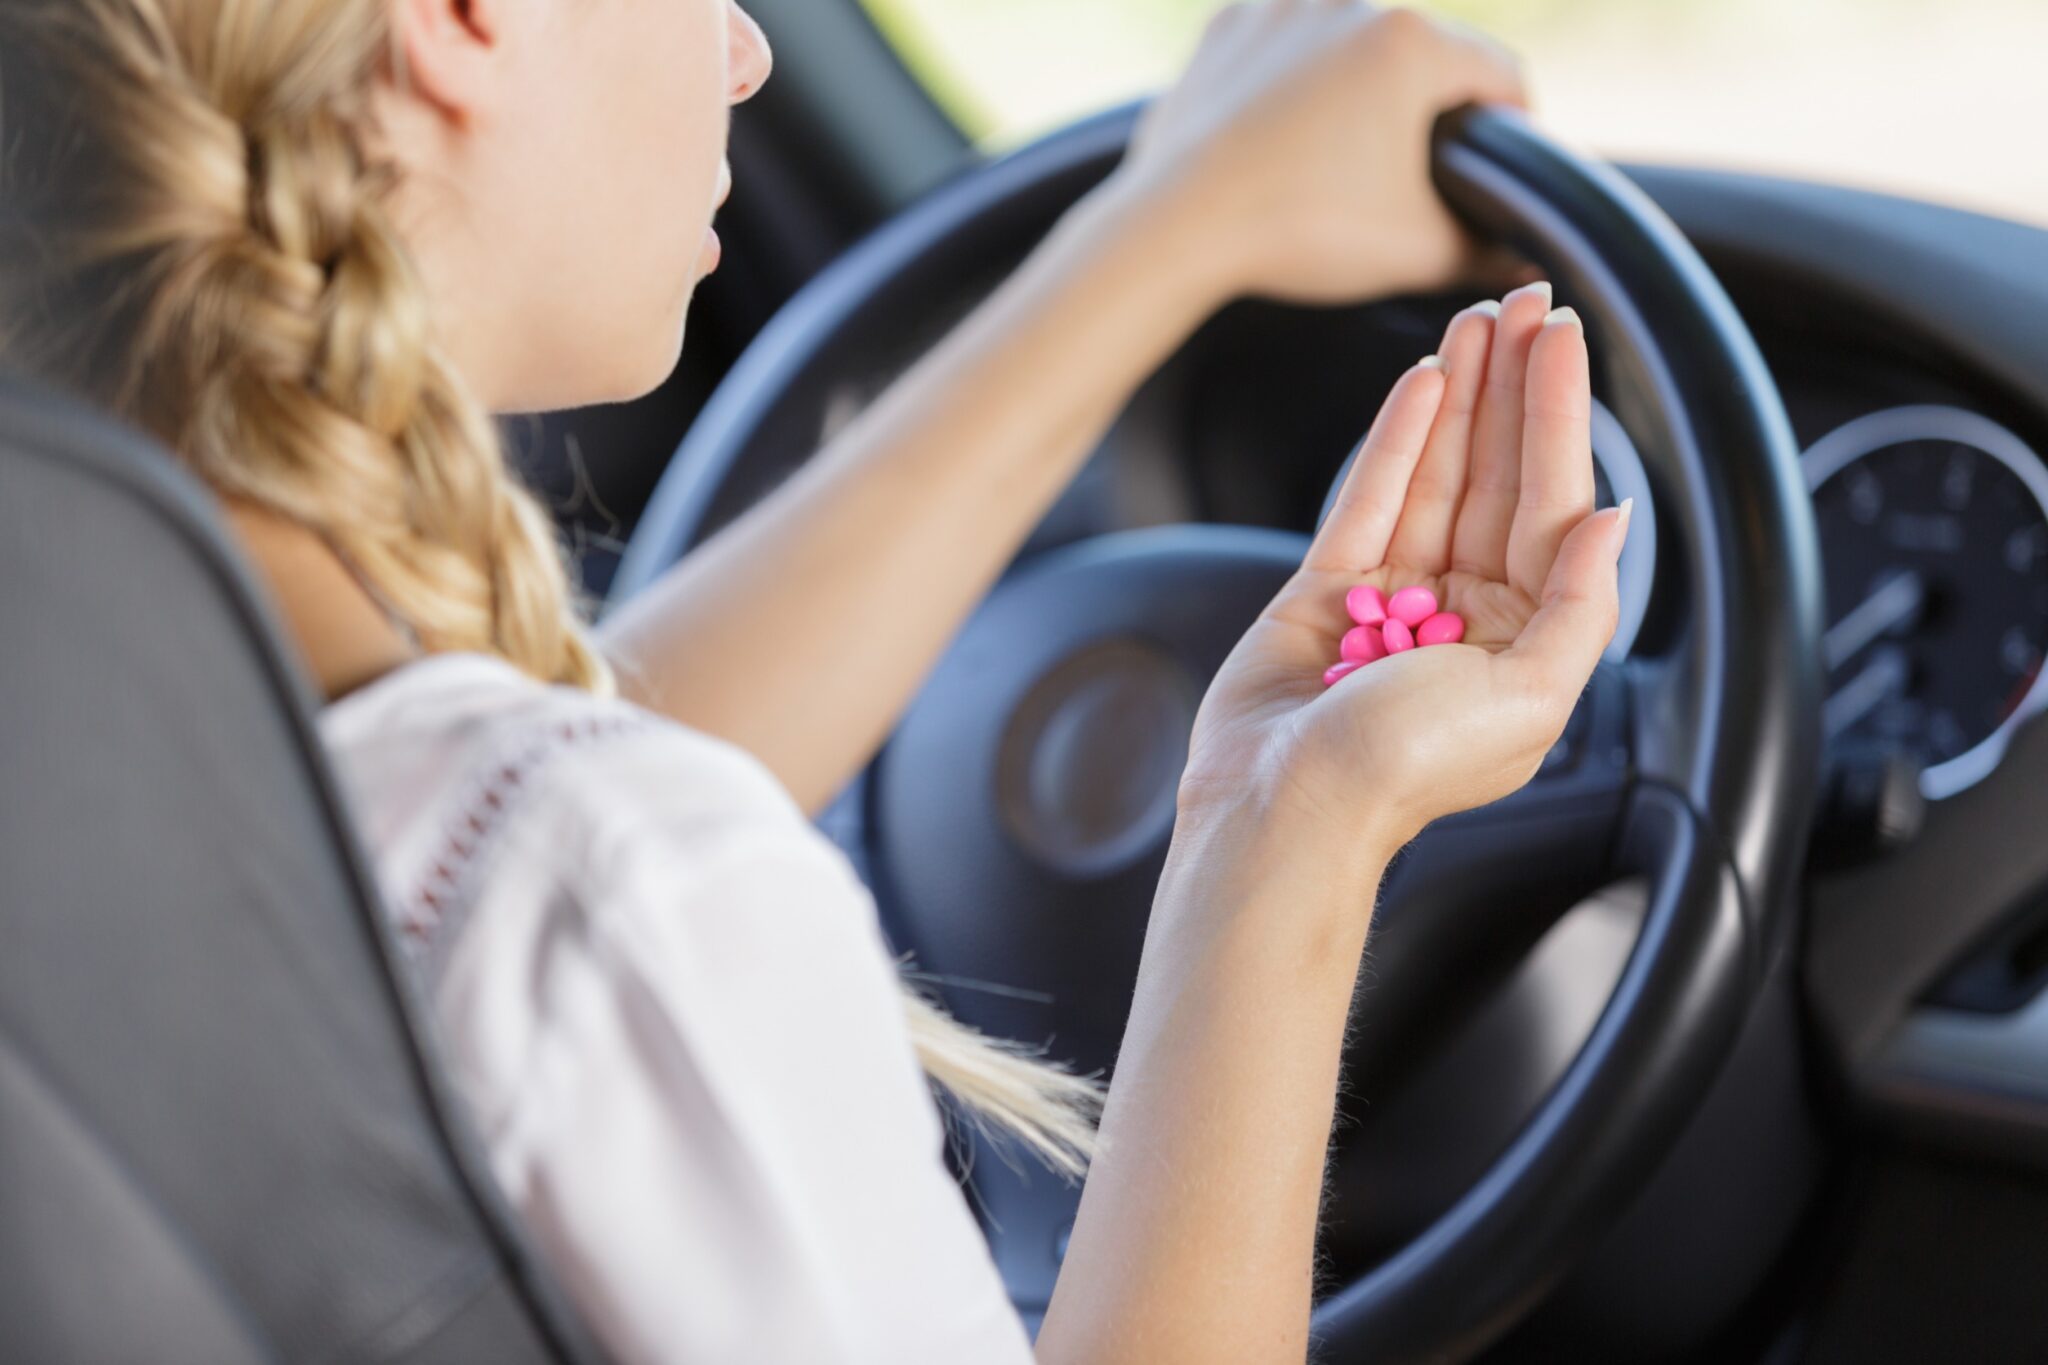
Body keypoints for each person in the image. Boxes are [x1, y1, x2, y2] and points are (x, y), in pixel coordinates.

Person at [0, 0, 1629, 1361]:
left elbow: (545, 827)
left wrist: (1175, 225)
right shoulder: (617, 890)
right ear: (456, 20)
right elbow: (581, 879)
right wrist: (1291, 827)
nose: (746, 53)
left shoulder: (102, 684)